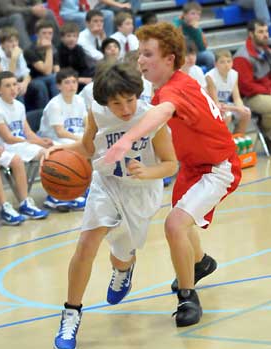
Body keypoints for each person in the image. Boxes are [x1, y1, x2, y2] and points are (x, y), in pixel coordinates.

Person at [104, 22, 242, 328]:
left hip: (218, 168)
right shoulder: (167, 85)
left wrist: (126, 141)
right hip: (193, 166)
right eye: (140, 54)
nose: (141, 60)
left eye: (148, 54)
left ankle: (187, 296)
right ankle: (201, 263)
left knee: (174, 224)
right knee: (182, 219)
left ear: (169, 59)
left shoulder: (175, 88)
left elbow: (162, 113)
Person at [51, 61, 177, 349]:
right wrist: (56, 153)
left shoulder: (150, 117)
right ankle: (71, 313)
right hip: (106, 184)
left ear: (137, 94)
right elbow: (87, 149)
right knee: (87, 243)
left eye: (130, 100)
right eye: (117, 103)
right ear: (105, 103)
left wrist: (148, 172)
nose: (125, 109)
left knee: (121, 255)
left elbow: (171, 163)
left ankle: (125, 266)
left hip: (141, 191)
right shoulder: (96, 114)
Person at [0, 72, 51, 220]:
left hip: (20, 144)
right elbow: (8, 137)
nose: (13, 88)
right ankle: (21, 202)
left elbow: (27, 131)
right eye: (7, 86)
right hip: (7, 146)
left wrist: (41, 141)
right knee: (22, 159)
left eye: (15, 84)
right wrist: (32, 142)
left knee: (50, 152)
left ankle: (52, 195)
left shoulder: (19, 105)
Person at [39, 67, 88, 210]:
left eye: (74, 82)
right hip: (53, 140)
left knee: (93, 144)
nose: (72, 85)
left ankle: (84, 187)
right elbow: (60, 132)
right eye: (67, 82)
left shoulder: (79, 100)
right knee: (79, 148)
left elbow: (87, 123)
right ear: (58, 86)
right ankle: (55, 195)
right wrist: (81, 140)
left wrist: (89, 135)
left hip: (72, 139)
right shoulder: (55, 104)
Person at [233, 19, 271, 148]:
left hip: (265, 90)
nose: (265, 35)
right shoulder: (242, 57)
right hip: (250, 97)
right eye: (260, 32)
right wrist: (268, 90)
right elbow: (246, 87)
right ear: (251, 34)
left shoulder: (266, 51)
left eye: (266, 31)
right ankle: (268, 135)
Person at [206, 49, 251, 134]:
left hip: (225, 104)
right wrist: (236, 108)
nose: (226, 65)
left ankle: (238, 139)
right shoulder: (210, 77)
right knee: (227, 116)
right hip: (211, 105)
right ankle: (221, 142)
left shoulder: (234, 74)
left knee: (246, 113)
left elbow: (237, 98)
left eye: (229, 61)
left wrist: (240, 108)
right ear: (215, 64)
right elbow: (216, 104)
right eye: (222, 62)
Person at [24, 19, 60, 111]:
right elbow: (46, 71)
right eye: (44, 33)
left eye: (50, 33)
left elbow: (56, 69)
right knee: (43, 83)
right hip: (32, 80)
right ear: (37, 34)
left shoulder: (54, 49)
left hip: (50, 78)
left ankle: (60, 109)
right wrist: (48, 49)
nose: (47, 36)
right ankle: (46, 112)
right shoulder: (30, 50)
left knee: (57, 78)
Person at [79, 37, 121, 110]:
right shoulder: (99, 66)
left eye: (115, 47)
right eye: (109, 48)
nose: (113, 49)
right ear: (104, 52)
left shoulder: (124, 66)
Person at [173, 1, 215, 69]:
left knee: (209, 56)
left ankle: (208, 78)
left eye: (198, 14)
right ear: (184, 15)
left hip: (194, 55)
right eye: (193, 13)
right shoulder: (176, 25)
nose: (196, 17)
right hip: (180, 55)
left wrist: (196, 31)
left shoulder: (197, 28)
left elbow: (202, 48)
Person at [57, 21, 96, 92]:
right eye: (68, 36)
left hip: (78, 75)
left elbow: (84, 67)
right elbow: (61, 71)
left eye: (74, 36)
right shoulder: (59, 51)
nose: (72, 39)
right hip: (66, 77)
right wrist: (80, 79)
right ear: (62, 38)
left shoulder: (79, 49)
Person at [0, 26, 31, 101]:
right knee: (15, 90)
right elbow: (6, 79)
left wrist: (25, 83)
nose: (14, 44)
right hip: (5, 86)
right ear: (2, 44)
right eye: (10, 41)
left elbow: (26, 73)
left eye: (16, 41)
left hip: (19, 81)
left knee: (39, 85)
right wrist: (13, 58)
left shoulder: (18, 52)